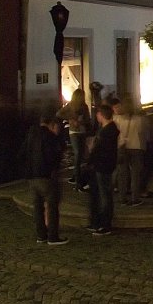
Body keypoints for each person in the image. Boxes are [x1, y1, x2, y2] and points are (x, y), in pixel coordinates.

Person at [24, 107, 68, 245]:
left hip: (32, 176)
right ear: (51, 123)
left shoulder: (31, 134)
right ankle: (53, 236)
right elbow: (54, 156)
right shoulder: (50, 137)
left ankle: (41, 235)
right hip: (46, 176)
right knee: (52, 205)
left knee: (37, 207)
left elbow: (22, 153)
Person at [85, 104, 118, 235]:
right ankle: (97, 222)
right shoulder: (107, 129)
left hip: (103, 166)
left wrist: (92, 150)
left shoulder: (107, 131)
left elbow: (101, 150)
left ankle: (105, 224)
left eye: (98, 114)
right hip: (102, 165)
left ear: (102, 115)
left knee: (104, 195)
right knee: (99, 193)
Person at [114, 96, 145, 207]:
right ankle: (134, 197)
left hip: (122, 148)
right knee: (135, 174)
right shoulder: (138, 119)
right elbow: (141, 132)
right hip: (135, 146)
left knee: (122, 174)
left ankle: (122, 198)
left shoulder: (117, 119)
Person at [57, 89, 91, 189]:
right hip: (74, 132)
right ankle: (77, 177)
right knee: (77, 153)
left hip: (81, 130)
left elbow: (87, 119)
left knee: (81, 154)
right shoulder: (70, 105)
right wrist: (70, 119)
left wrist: (81, 122)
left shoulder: (84, 106)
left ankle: (77, 175)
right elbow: (59, 113)